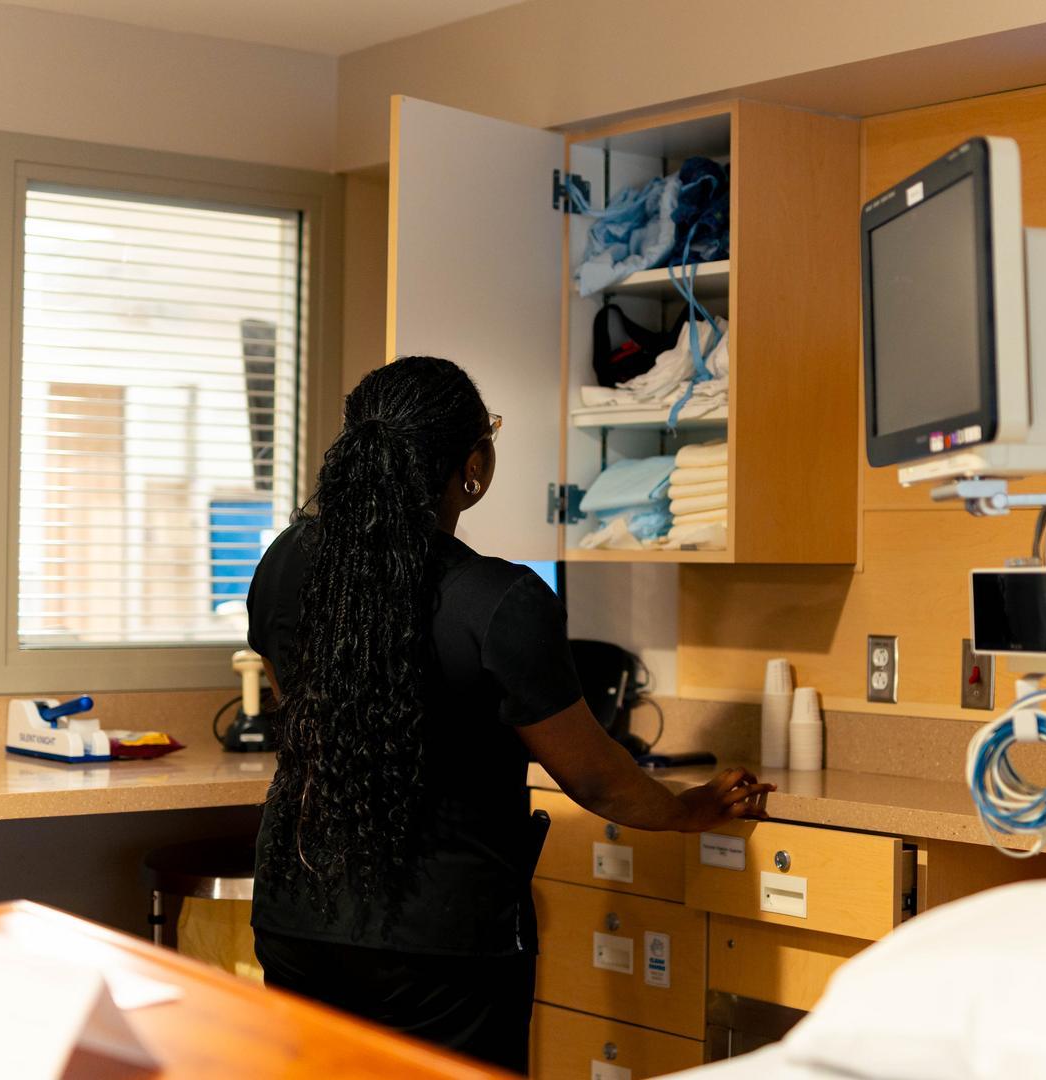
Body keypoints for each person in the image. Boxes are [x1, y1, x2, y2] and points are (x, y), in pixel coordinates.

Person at [244, 355, 772, 1072]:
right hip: (438, 945)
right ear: (474, 465)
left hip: (297, 918)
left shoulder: (285, 562)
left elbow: (294, 705)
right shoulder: (500, 601)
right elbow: (597, 780)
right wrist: (690, 809)